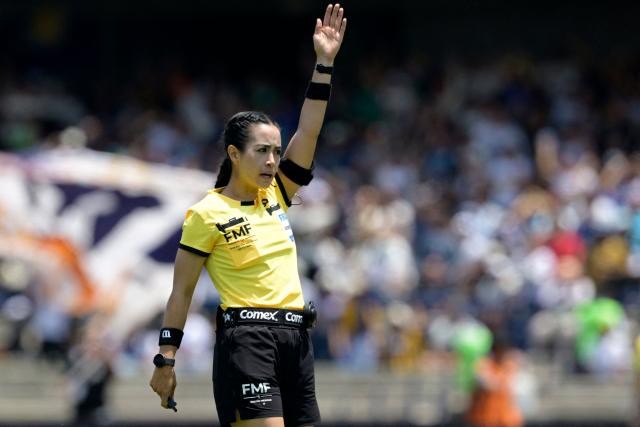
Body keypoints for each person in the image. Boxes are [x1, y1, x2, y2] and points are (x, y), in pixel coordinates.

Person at [149, 4, 347, 427]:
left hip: (297, 340)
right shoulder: (206, 212)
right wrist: (165, 358)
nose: (273, 160)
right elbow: (181, 293)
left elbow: (309, 129)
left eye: (276, 151)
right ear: (234, 154)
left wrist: (324, 64)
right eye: (262, 151)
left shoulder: (278, 192)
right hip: (247, 342)